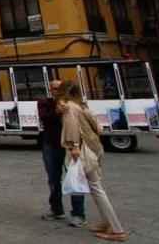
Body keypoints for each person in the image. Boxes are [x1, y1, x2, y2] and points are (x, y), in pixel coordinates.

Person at [57, 80, 126, 242]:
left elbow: (71, 127)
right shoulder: (82, 105)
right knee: (97, 187)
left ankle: (116, 230)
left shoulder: (67, 106)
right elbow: (99, 127)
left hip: (83, 150)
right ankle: (105, 222)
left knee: (96, 189)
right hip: (96, 147)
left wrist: (74, 146)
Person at [37, 80, 86, 226]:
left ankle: (78, 213)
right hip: (51, 144)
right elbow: (44, 117)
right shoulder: (44, 103)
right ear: (50, 89)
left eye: (60, 88)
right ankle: (56, 209)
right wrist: (56, 111)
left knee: (74, 178)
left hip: (70, 146)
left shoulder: (72, 104)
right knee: (53, 179)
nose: (58, 91)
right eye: (55, 88)